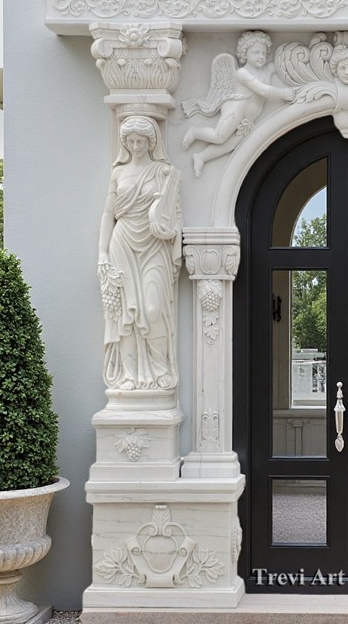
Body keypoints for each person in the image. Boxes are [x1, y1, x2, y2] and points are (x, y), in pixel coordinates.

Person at [98, 116, 182, 391]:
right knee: (126, 315)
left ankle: (159, 372)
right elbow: (109, 215)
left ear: (151, 142)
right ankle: (130, 376)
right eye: (130, 141)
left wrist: (168, 230)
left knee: (152, 308)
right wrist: (102, 254)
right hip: (121, 243)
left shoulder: (163, 172)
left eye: (140, 141)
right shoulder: (118, 173)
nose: (135, 145)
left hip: (154, 244)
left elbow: (174, 218)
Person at [183, 31, 294, 176]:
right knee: (219, 136)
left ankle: (201, 157)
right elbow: (263, 90)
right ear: (245, 53)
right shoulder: (242, 73)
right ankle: (195, 132)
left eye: (264, 52)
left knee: (230, 145)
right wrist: (284, 93)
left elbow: (280, 62)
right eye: (256, 52)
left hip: (249, 119)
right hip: (237, 110)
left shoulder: (266, 70)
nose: (261, 56)